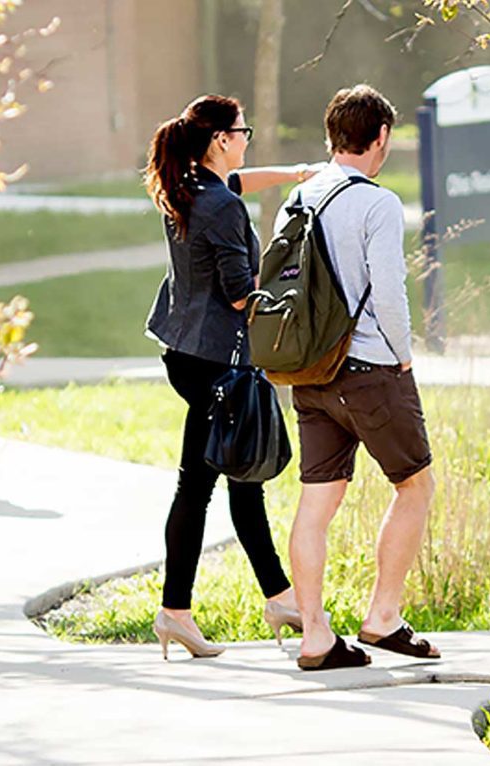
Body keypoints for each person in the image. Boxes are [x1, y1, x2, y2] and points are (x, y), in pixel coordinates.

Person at [138, 95, 321, 660]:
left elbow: (237, 182)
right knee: (205, 483)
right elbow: (240, 290)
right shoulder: (219, 208)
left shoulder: (189, 188)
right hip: (220, 361)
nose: (247, 139)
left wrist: (294, 175)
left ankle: (277, 599)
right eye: (243, 132)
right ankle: (179, 610)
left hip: (187, 350)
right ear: (220, 138)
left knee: (239, 477)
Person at [282, 85, 437, 671]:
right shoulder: (377, 202)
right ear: (381, 139)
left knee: (316, 504)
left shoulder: (297, 197)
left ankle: (315, 635)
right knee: (414, 485)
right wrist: (402, 355)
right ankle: (382, 617)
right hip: (371, 368)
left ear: (331, 137)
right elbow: (390, 291)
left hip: (312, 371)